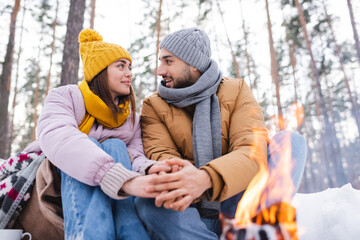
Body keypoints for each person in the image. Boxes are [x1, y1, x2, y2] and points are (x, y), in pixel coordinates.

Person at [136, 27, 307, 236]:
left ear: (194, 65)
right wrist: (189, 180)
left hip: (237, 201)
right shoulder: (153, 105)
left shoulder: (236, 91)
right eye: (160, 61)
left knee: (291, 142)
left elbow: (252, 150)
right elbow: (164, 158)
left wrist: (206, 178)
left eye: (168, 61)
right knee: (148, 204)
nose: (159, 70)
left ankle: (253, 232)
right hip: (188, 208)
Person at [20, 28, 175, 240]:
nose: (129, 73)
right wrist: (116, 177)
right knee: (89, 143)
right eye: (121, 66)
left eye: (130, 67)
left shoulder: (132, 119)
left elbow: (135, 155)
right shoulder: (65, 96)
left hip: (112, 189)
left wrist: (149, 167)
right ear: (99, 70)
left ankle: (125, 234)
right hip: (53, 181)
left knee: (115, 146)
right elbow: (59, 137)